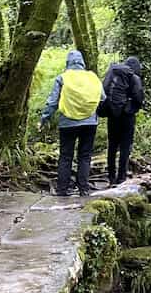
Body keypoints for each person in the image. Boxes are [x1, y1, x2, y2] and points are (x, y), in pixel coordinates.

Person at [40, 49, 105, 197]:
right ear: (82, 62)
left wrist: (45, 118)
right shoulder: (92, 77)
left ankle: (62, 189)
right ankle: (83, 188)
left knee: (66, 156)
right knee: (85, 155)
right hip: (90, 122)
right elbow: (102, 97)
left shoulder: (62, 78)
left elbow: (52, 102)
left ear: (67, 63)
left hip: (68, 123)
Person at [101, 56, 144, 185]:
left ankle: (111, 176)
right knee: (125, 147)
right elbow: (138, 97)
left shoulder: (112, 74)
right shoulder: (134, 77)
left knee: (112, 145)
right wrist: (131, 107)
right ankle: (121, 177)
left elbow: (104, 91)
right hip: (127, 116)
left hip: (112, 114)